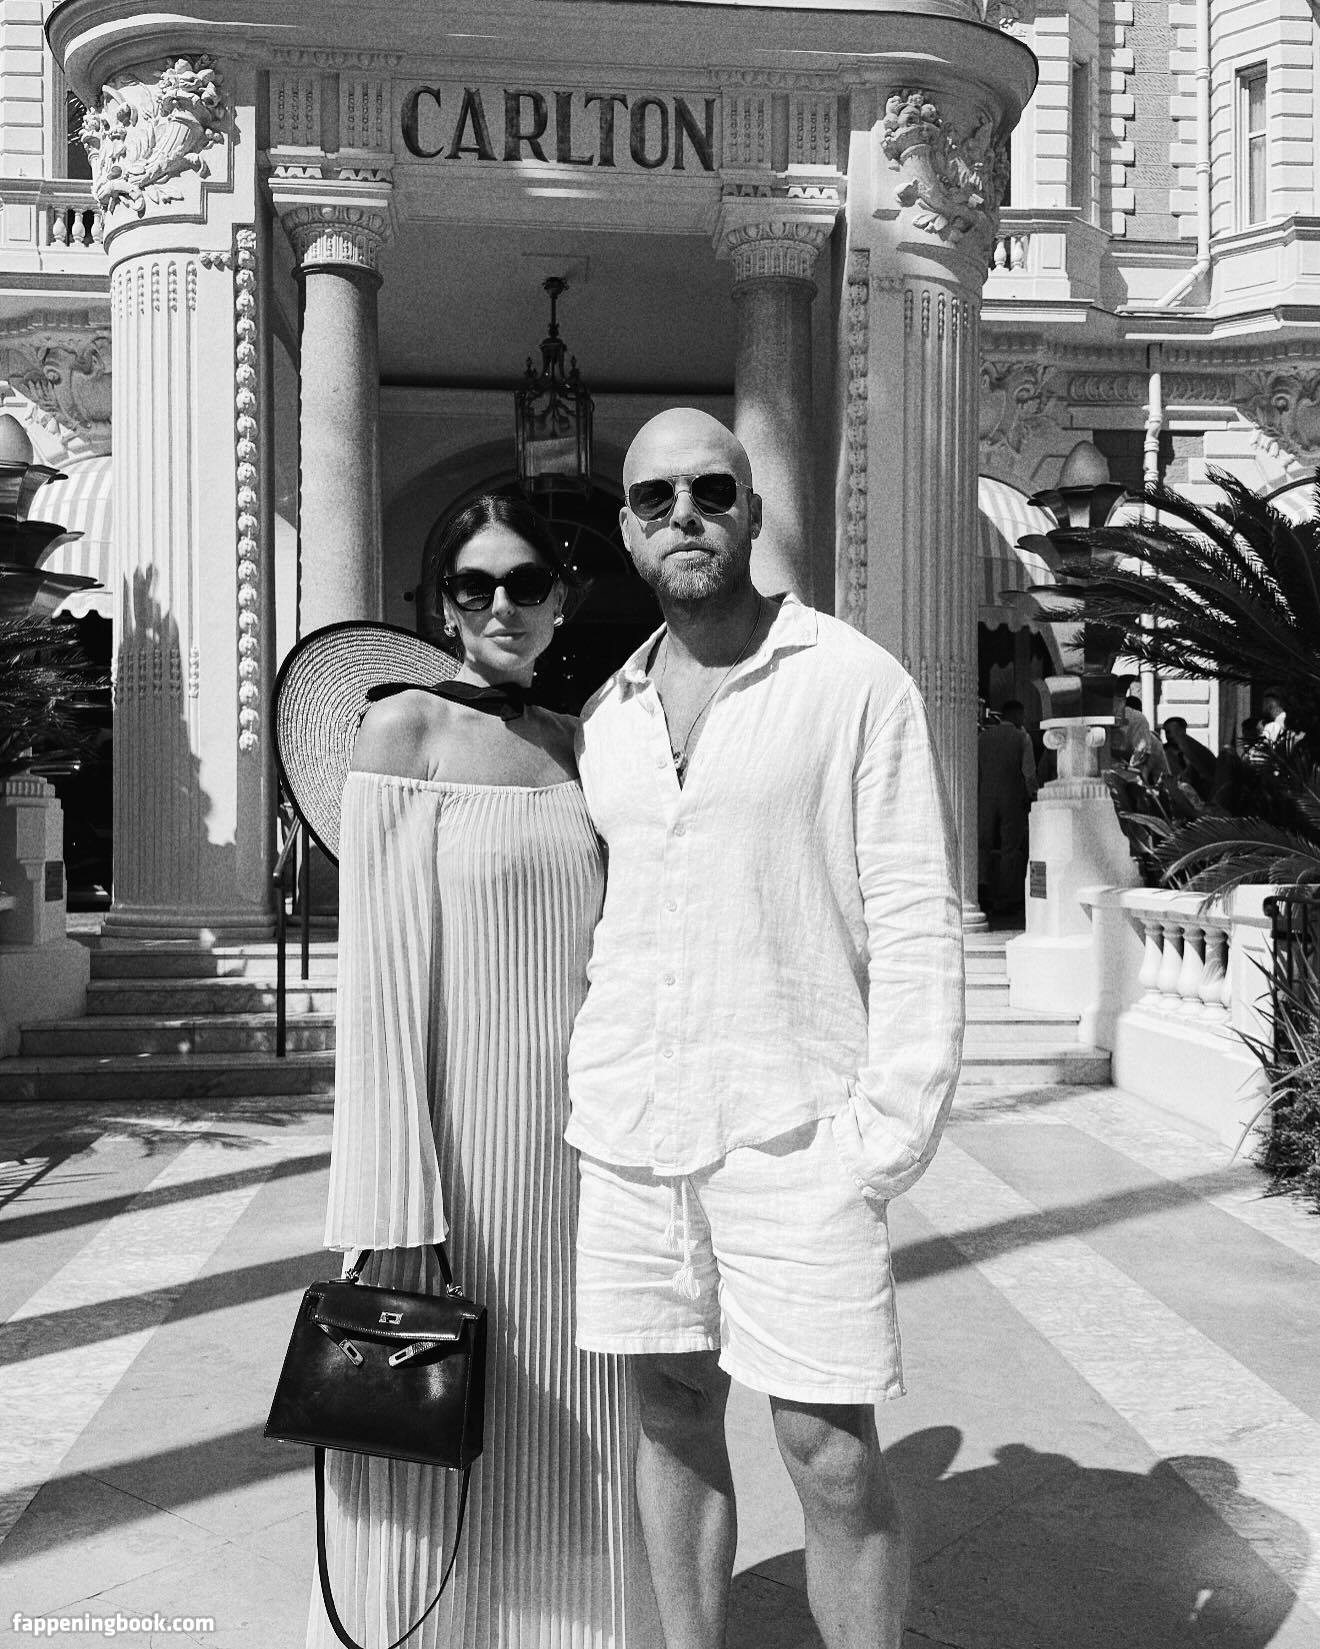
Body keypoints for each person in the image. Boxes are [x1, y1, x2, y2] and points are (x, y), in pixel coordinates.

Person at [566, 408, 965, 1649]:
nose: (683, 515)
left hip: (797, 1123)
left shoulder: (853, 681)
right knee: (671, 1415)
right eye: (654, 498)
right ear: (628, 531)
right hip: (635, 1128)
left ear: (751, 510)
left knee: (830, 1452)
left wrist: (886, 1133)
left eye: (710, 490)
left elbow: (915, 906)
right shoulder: (608, 715)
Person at [311, 495, 656, 1648]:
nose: (501, 604)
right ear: (443, 606)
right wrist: (390, 1195)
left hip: (577, 1156)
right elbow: (377, 987)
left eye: (525, 582)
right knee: (429, 1431)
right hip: (454, 1153)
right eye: (474, 585)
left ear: (561, 601)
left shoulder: (580, 745)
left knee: (572, 1424)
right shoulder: (401, 729)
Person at [977, 698, 1036, 913]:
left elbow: (976, 767)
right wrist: (1033, 795)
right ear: (1016, 714)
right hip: (1012, 794)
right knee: (1009, 847)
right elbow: (1028, 771)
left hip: (985, 794)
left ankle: (981, 887)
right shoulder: (1022, 737)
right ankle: (1007, 895)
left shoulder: (983, 737)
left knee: (982, 843)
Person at [1160, 716, 1215, 803]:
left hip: (1199, 799)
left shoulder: (1197, 751)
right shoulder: (1161, 752)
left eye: (1176, 731)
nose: (1170, 735)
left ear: (1183, 730)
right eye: (1167, 732)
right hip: (1174, 798)